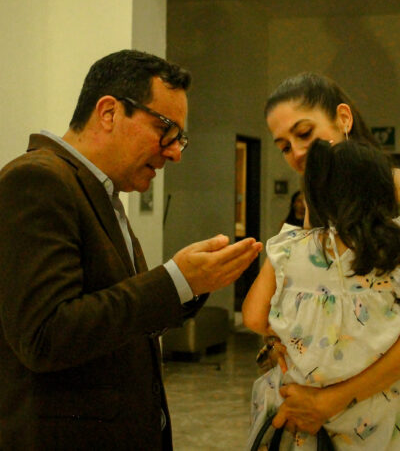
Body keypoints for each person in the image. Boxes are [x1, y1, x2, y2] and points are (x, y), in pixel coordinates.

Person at [0, 49, 262, 451]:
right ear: (109, 112)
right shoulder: (38, 181)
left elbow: (116, 317)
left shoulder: (99, 190)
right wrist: (174, 282)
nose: (174, 152)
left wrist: (192, 284)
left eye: (179, 138)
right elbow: (46, 335)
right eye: (165, 129)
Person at [260, 71, 400, 437]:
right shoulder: (315, 208)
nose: (297, 152)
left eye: (304, 133)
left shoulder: (396, 189)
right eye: (284, 147)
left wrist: (334, 399)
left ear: (344, 118)